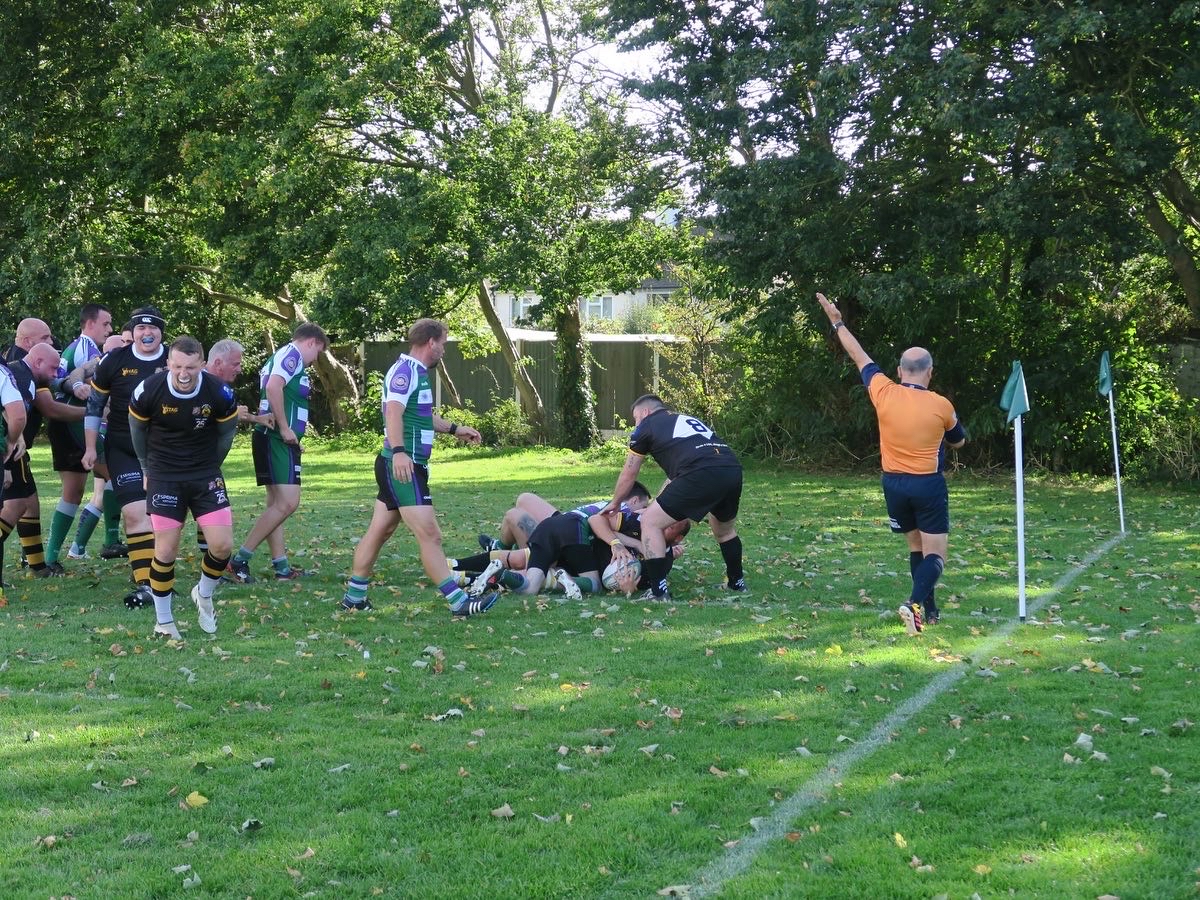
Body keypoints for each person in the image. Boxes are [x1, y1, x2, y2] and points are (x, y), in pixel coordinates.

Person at [816, 292, 967, 635]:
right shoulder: (942, 405)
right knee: (937, 555)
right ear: (930, 372)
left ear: (900, 371)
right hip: (927, 484)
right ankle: (914, 604)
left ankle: (930, 610)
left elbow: (857, 354)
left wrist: (837, 321)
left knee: (916, 545)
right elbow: (958, 441)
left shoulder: (883, 389)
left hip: (893, 484)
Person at [340, 318, 493, 616]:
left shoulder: (417, 373)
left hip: (404, 465)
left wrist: (454, 428)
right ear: (431, 342)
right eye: (444, 345)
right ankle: (459, 603)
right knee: (431, 535)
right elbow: (393, 413)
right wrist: (398, 452)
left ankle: (354, 598)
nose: (444, 351)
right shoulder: (405, 371)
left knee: (379, 531)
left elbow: (420, 416)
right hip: (403, 467)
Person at [128, 336, 239, 639]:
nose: (183, 372)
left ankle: (203, 592)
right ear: (168, 364)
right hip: (164, 475)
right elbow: (137, 429)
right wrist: (146, 468)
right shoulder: (149, 389)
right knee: (165, 550)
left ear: (203, 364)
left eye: (190, 366)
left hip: (205, 474)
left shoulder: (220, 392)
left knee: (222, 546)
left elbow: (227, 434)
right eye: (177, 366)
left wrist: (210, 466)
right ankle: (163, 622)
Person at [603, 394, 745, 602]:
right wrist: (655, 505)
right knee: (724, 532)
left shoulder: (646, 426)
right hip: (731, 469)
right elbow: (675, 475)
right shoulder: (684, 420)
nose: (636, 423)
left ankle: (659, 593)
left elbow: (629, 473)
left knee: (650, 523)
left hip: (700, 473)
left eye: (635, 418)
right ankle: (737, 583)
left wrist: (615, 502)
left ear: (645, 412)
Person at [225, 323, 328, 583]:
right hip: (275, 438)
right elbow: (273, 387)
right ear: (312, 342)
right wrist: (284, 429)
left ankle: (281, 567)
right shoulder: (292, 355)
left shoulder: (285, 356)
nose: (316, 359)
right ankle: (238, 561)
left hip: (278, 440)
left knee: (277, 505)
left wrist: (291, 434)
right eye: (318, 352)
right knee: (287, 503)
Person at [83, 307, 170, 607]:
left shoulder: (175, 361)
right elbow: (95, 406)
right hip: (123, 448)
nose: (147, 334)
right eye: (141, 329)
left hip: (164, 451)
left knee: (160, 516)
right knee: (135, 514)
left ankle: (157, 575)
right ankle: (146, 584)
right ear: (132, 332)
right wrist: (91, 447)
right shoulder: (114, 360)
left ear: (161, 332)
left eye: (153, 329)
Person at [0, 339, 85, 579]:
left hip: (16, 450)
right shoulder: (23, 379)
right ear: (37, 361)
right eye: (52, 367)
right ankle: (38, 567)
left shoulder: (20, 373)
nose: (55, 372)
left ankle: (38, 567)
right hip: (10, 450)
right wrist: (14, 439)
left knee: (31, 502)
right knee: (17, 505)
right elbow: (13, 413)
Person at [44, 303, 114, 568]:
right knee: (121, 477)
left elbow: (59, 380)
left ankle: (51, 557)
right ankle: (111, 540)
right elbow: (82, 383)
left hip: (63, 424)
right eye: (106, 323)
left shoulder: (77, 347)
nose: (109, 329)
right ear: (90, 323)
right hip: (77, 424)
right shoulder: (86, 347)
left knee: (73, 492)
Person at [192, 339, 272, 554]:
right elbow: (197, 418)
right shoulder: (198, 382)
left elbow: (222, 416)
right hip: (190, 465)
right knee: (206, 512)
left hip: (207, 464)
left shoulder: (220, 387)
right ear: (218, 362)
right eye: (235, 364)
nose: (240, 368)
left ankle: (209, 560)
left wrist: (256, 419)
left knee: (208, 512)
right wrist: (237, 414)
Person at [64, 330, 134, 561]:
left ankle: (82, 547)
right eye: (121, 341)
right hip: (105, 435)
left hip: (117, 435)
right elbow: (78, 372)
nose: (123, 346)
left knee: (102, 495)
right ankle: (101, 544)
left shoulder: (148, 361)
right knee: (109, 489)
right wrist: (76, 386)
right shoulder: (105, 362)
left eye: (126, 342)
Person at [478, 485, 652, 551]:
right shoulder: (621, 507)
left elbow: (598, 523)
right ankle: (499, 547)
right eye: (643, 506)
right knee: (524, 498)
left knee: (514, 516)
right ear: (634, 500)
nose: (643, 511)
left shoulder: (628, 515)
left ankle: (523, 558)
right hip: (564, 521)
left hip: (568, 534)